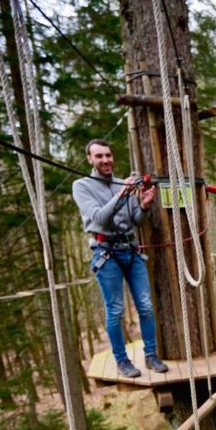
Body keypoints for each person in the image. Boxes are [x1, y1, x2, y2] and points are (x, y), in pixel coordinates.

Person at [72, 139, 169, 378]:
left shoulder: (119, 183)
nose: (105, 160)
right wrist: (124, 192)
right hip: (106, 253)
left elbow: (133, 221)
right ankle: (122, 361)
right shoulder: (82, 186)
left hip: (131, 250)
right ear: (90, 160)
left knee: (145, 306)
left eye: (108, 155)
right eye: (99, 156)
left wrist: (144, 206)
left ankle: (151, 355)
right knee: (115, 310)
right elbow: (100, 218)